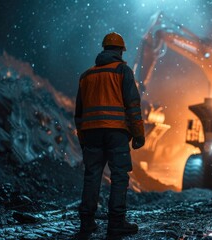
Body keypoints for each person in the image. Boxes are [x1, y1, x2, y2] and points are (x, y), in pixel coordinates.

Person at [74, 32, 145, 239]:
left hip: (92, 134)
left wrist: (82, 139)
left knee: (92, 176)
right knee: (119, 176)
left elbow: (79, 113)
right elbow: (132, 105)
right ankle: (116, 224)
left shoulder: (87, 75)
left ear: (103, 49)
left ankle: (86, 223)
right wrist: (138, 134)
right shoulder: (123, 71)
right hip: (116, 133)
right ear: (120, 51)